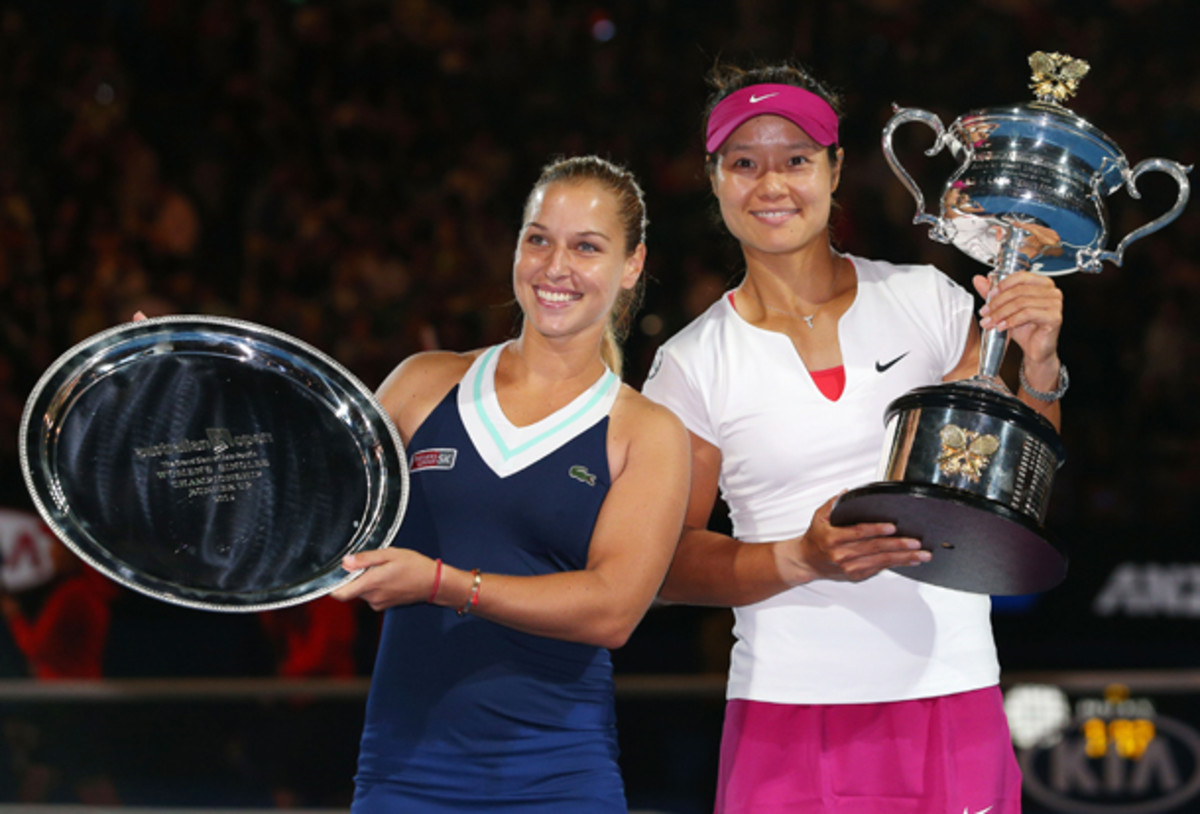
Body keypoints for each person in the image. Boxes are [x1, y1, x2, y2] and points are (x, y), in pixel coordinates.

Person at [641, 62, 1066, 814]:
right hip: (785, 714)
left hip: (950, 696)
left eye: (796, 160)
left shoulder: (929, 302)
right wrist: (798, 559)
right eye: (745, 163)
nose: (772, 185)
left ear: (836, 169)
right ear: (714, 180)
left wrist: (1038, 367)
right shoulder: (690, 363)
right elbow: (666, 563)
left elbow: (1008, 492)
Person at [330, 155, 690, 813]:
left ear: (632, 265)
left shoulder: (647, 431)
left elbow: (612, 609)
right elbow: (313, 509)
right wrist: (188, 395)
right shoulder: (422, 383)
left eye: (586, 246)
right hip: (401, 774)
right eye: (538, 239)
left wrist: (440, 583)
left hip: (556, 780)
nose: (555, 267)